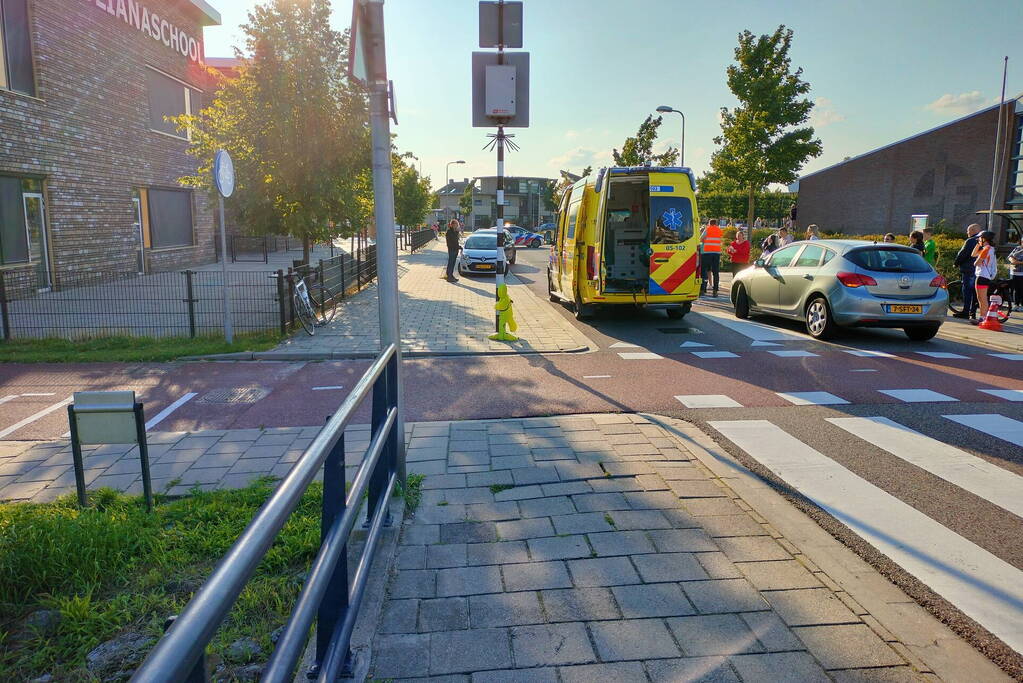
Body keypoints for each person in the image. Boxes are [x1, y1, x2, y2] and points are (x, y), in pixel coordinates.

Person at [953, 224, 982, 320]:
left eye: (968, 230)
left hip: (969, 269)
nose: (967, 232)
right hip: (979, 270)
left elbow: (963, 254)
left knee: (967, 290)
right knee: (975, 292)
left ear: (973, 230)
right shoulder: (983, 240)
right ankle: (973, 312)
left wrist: (956, 263)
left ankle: (965, 312)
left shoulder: (971, 241)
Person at [971, 230, 998, 324]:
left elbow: (976, 263)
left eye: (979, 238)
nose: (978, 239)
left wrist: (980, 245)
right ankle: (983, 317)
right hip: (985, 276)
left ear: (984, 239)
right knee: (982, 298)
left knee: (982, 299)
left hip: (982, 276)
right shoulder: (990, 248)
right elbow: (973, 254)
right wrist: (978, 244)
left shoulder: (986, 250)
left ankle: (983, 318)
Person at [700, 218, 723, 296]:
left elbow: (701, 239)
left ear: (709, 223)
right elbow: (720, 239)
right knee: (715, 272)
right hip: (716, 253)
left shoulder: (707, 229)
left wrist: (705, 241)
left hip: (707, 252)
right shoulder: (719, 230)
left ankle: (702, 289)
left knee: (704, 271)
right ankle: (715, 290)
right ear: (716, 223)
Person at [1008, 233, 1023, 308]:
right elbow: (1010, 257)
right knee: (1015, 289)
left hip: (1022, 273)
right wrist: (1012, 260)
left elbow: (1015, 261)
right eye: (1022, 241)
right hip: (1014, 273)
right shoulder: (1017, 248)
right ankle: (1016, 305)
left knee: (1021, 290)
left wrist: (1017, 262)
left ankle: (1021, 305)